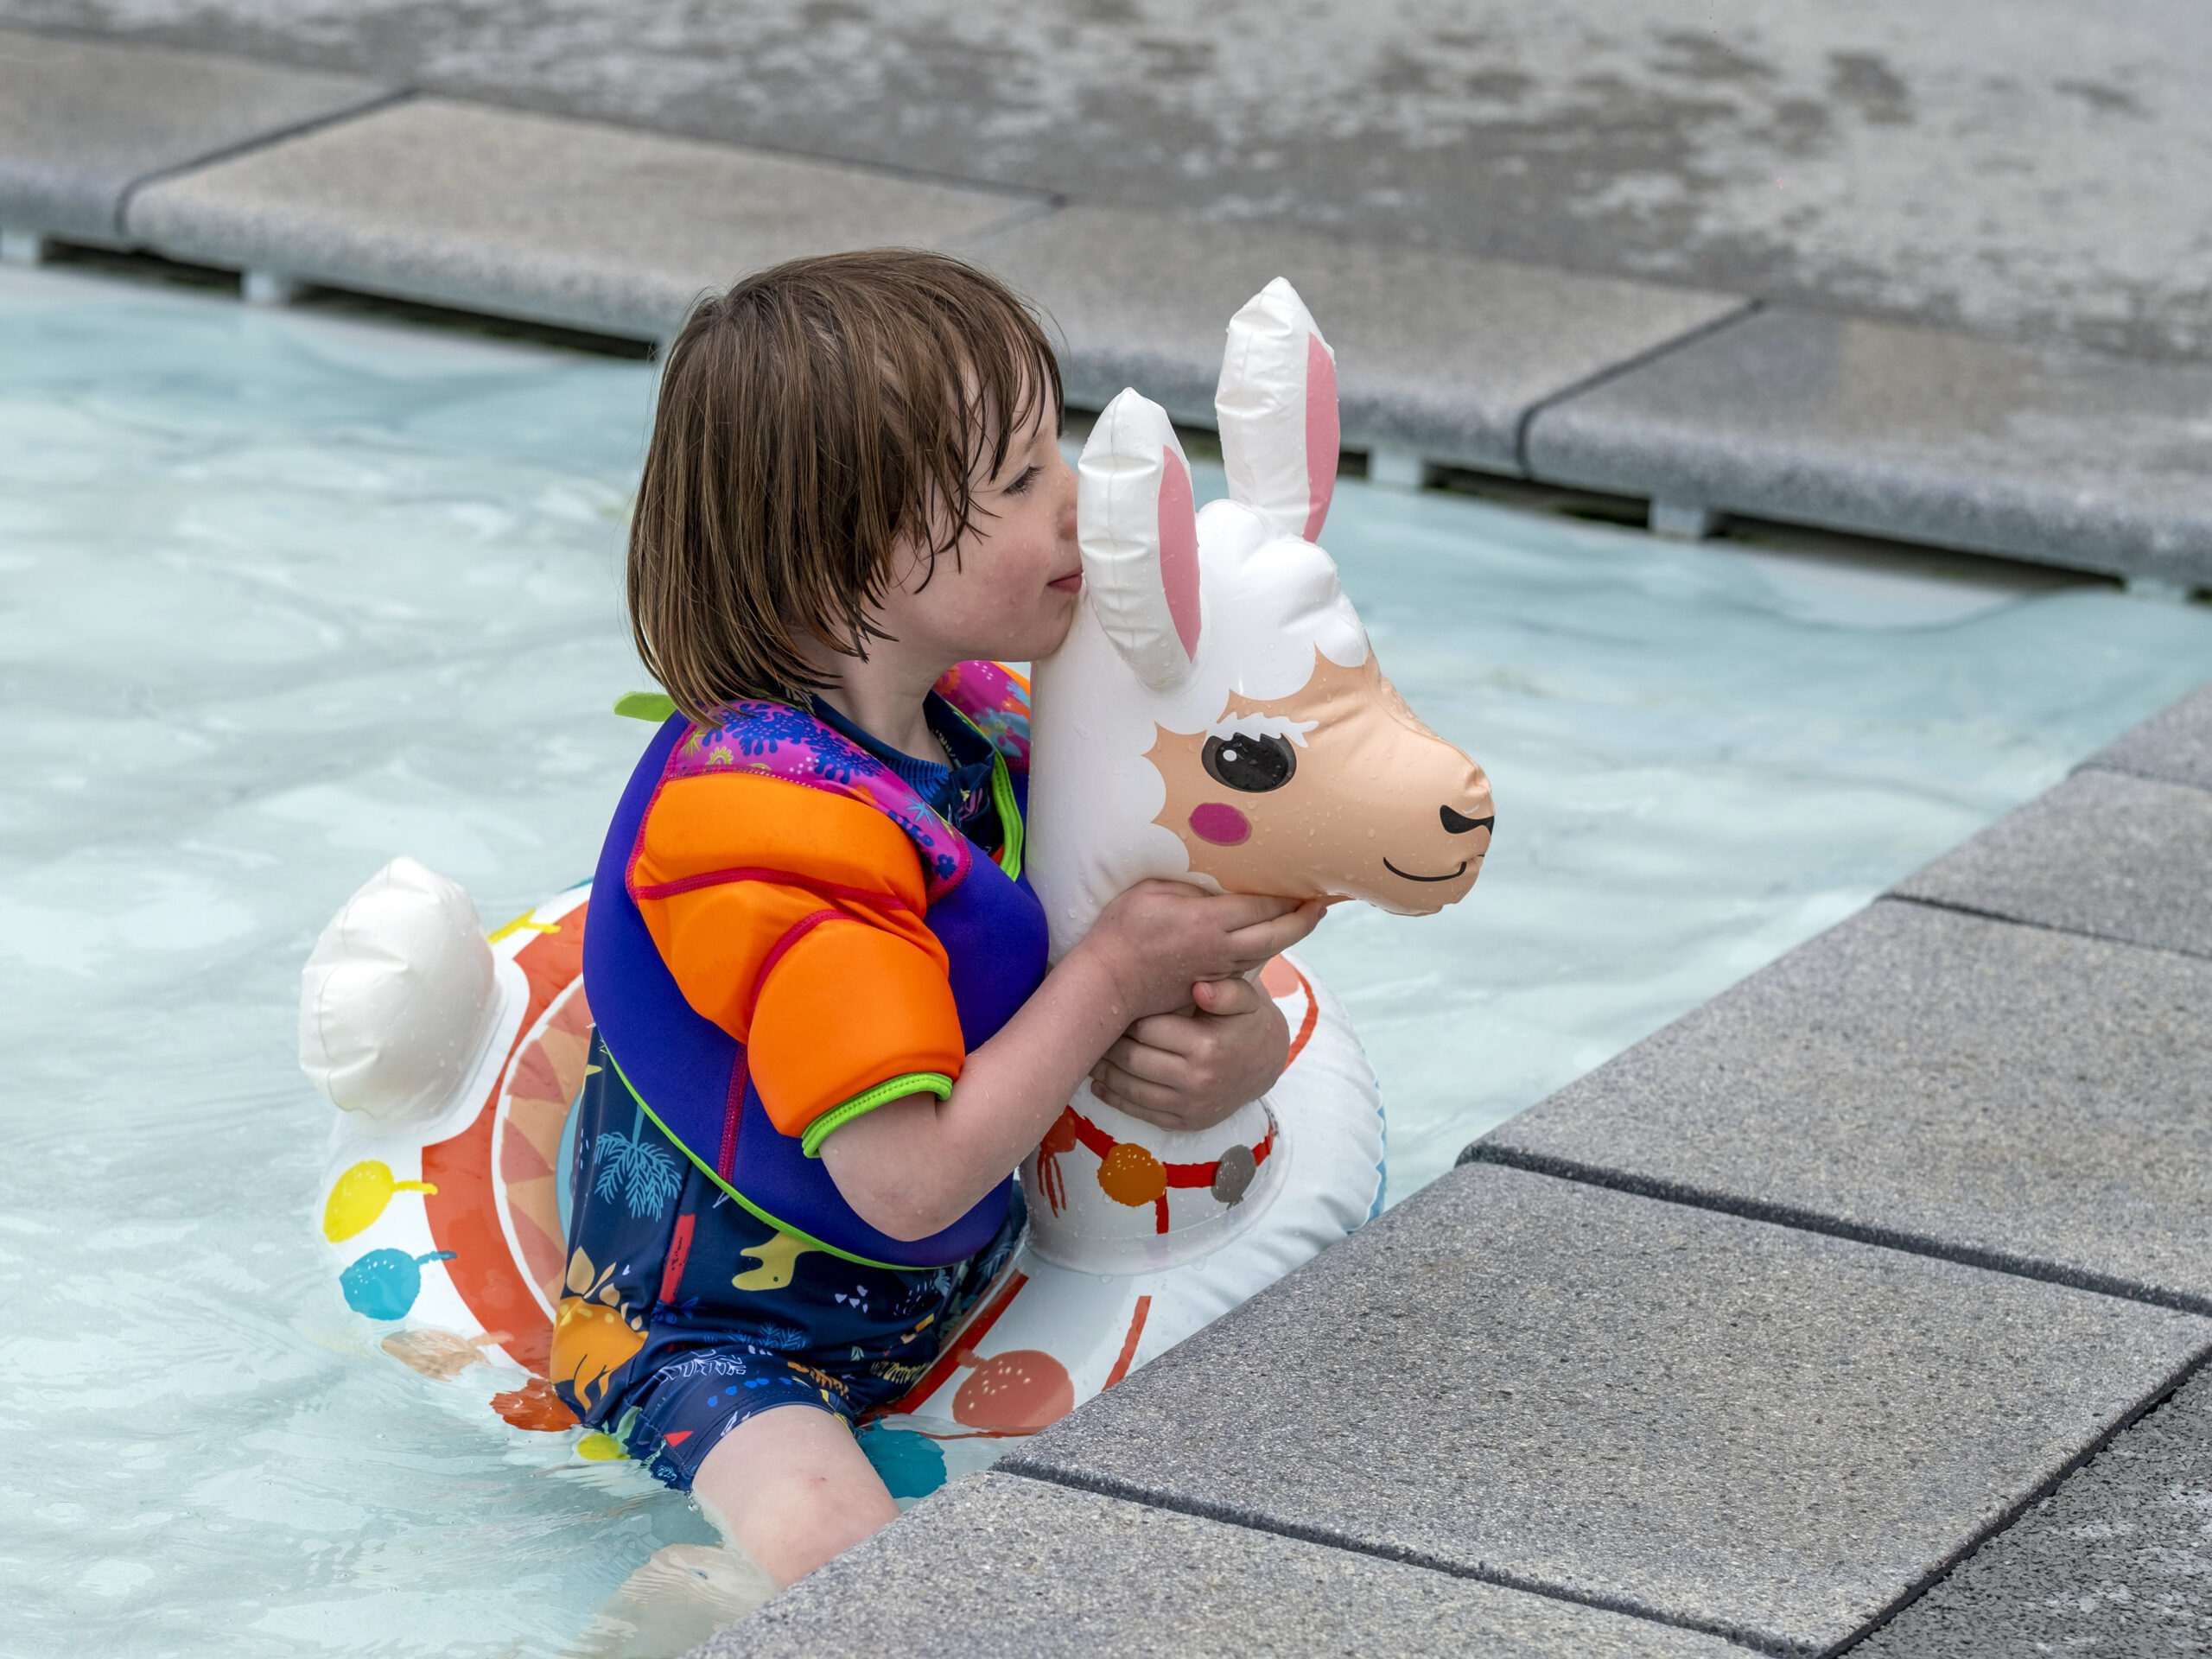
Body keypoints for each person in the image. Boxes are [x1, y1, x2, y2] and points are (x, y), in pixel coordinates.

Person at [552, 251, 1322, 1611]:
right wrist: (1113, 976)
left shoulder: (971, 717)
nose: (1079, 499)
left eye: (1056, 449)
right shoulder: (766, 831)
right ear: (849, 553)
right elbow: (904, 1184)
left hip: (953, 1292)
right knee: (847, 1564)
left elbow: (1150, 937)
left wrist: (1237, 1043)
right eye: (1021, 481)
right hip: (719, 1336)